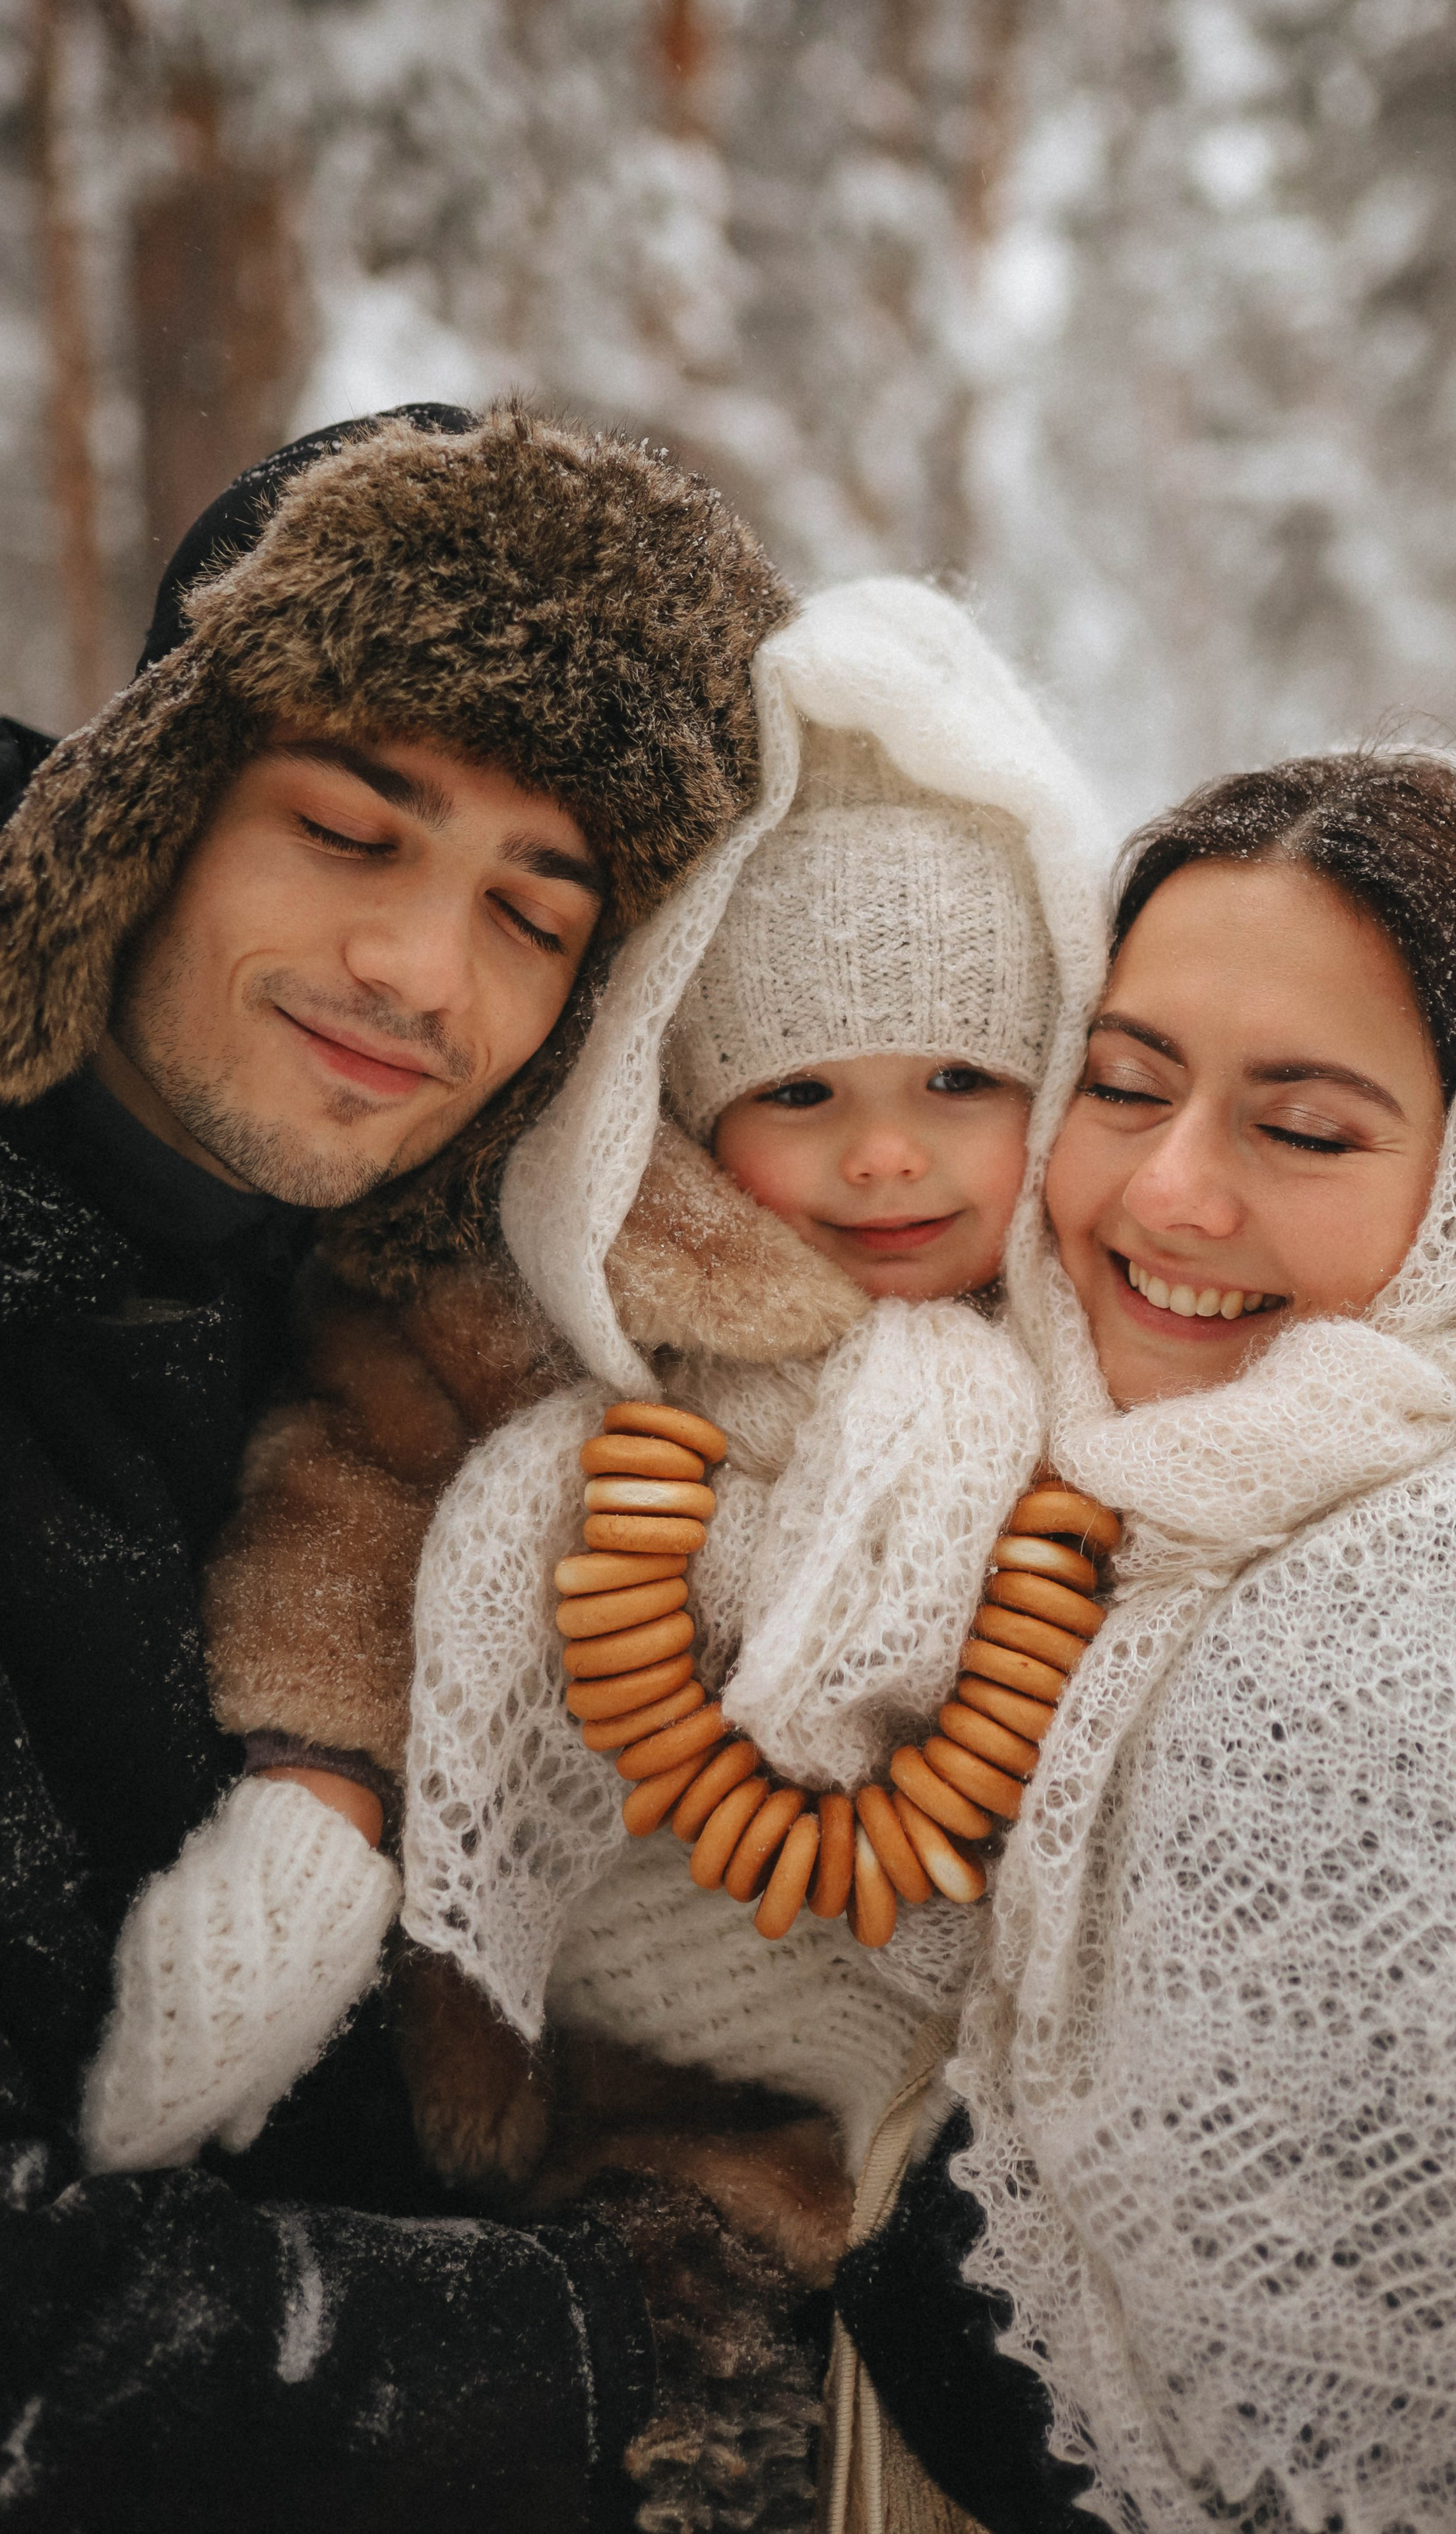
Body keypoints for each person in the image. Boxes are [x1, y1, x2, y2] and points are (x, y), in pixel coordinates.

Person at [0, 399, 808, 2532]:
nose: (420, 976)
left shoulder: (479, 1351)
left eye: (537, 916)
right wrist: (651, 2371)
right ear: (156, 799)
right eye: (353, 832)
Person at [107, 577, 1104, 2272]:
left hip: (975, 2088)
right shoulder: (582, 1311)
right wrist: (317, 1800)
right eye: (800, 1092)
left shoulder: (1098, 1355)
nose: (884, 1155)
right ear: (694, 1108)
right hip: (599, 2065)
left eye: (958, 1081)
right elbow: (358, 1489)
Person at [833, 751, 1456, 2532]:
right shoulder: (1018, 1461)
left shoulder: (1395, 1704)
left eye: (1301, 1130)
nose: (1169, 1195)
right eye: (1124, 1085)